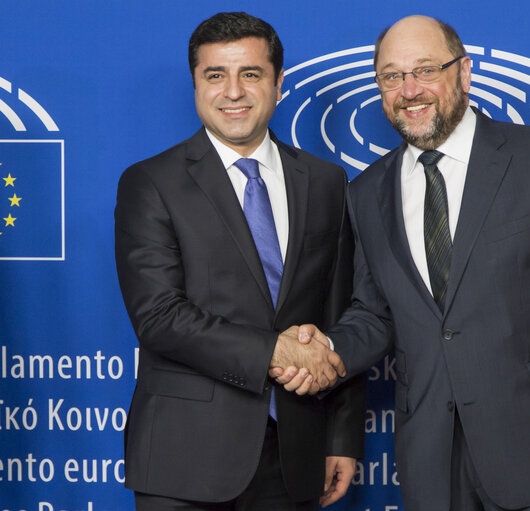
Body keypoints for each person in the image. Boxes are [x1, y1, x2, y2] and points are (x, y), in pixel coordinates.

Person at [272, 14, 530, 511]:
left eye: (426, 69)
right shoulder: (365, 193)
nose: (410, 89)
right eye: (392, 76)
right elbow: (374, 312)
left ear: (465, 72)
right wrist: (328, 349)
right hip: (432, 460)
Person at [114, 12, 364, 511]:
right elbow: (159, 317)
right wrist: (276, 351)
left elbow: (339, 314)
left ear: (277, 84)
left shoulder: (326, 182)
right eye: (215, 75)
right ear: (195, 85)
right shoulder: (151, 183)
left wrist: (341, 436)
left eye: (250, 74)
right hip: (184, 458)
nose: (234, 92)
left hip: (296, 453)